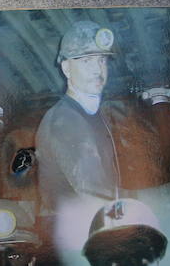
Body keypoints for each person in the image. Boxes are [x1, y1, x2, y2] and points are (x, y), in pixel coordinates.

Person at [35, 20, 121, 216]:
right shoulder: (65, 120)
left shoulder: (92, 115)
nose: (98, 70)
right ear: (66, 68)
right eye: (86, 61)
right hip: (72, 236)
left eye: (101, 60)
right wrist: (165, 196)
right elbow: (99, 197)